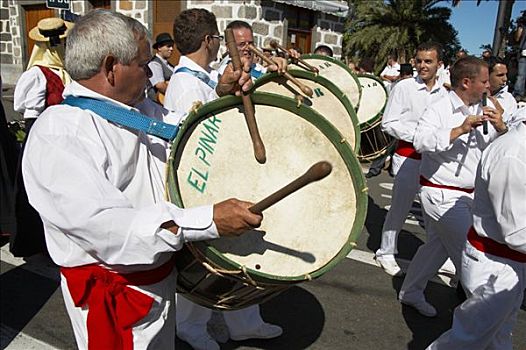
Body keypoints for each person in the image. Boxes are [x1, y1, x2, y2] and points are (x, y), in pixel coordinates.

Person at [21, 9, 262, 350]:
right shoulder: (58, 135)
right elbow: (111, 227)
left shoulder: (138, 109)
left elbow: (184, 131)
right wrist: (209, 220)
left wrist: (222, 95)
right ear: (110, 67)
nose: (151, 74)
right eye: (143, 63)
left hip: (159, 283)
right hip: (118, 297)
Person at [164, 10, 283, 350]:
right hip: (200, 184)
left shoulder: (202, 77)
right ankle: (189, 325)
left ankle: (245, 322)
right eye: (218, 38)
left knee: (238, 252)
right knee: (204, 259)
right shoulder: (186, 82)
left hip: (220, 179)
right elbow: (197, 141)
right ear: (209, 41)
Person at [398, 56, 508, 318]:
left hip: (470, 196)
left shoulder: (486, 106)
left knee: (435, 248)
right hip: (441, 195)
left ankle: (410, 292)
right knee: (472, 259)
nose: (487, 87)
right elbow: (421, 142)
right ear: (467, 82)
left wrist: (501, 128)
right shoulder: (439, 109)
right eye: (483, 82)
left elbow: (498, 146)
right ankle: (480, 322)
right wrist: (459, 129)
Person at [427, 108, 525, 350]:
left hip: (508, 261)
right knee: (464, 342)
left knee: (499, 338)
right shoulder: (513, 154)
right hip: (497, 263)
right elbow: (515, 231)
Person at [374, 43, 449, 275]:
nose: (423, 65)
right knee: (400, 207)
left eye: (429, 61)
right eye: (419, 61)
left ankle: (437, 255)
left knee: (434, 212)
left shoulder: (446, 92)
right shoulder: (404, 87)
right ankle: (386, 252)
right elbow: (388, 123)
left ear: (439, 64)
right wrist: (419, 136)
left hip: (435, 160)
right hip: (408, 156)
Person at [11, 17, 74, 257]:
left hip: (60, 134)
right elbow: (22, 106)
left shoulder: (64, 73)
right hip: (40, 133)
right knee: (37, 188)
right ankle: (34, 240)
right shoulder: (37, 74)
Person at [13, 17, 73, 132]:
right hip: (46, 132)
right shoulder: (37, 75)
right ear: (54, 48)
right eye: (64, 44)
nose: (67, 48)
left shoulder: (63, 72)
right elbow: (27, 110)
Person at [365, 62, 414, 179]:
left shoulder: (404, 86)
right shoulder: (403, 85)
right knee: (390, 147)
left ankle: (376, 168)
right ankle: (383, 169)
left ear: (403, 74)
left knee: (386, 147)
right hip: (399, 123)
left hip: (400, 123)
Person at [147, 32, 175, 103]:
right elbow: (160, 85)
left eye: (172, 46)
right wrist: (176, 94)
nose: (171, 49)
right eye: (168, 46)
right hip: (157, 105)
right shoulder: (154, 64)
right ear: (159, 48)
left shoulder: (170, 65)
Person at [514, 11, 526, 102]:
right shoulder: (523, 25)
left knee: (521, 75)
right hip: (524, 53)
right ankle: (518, 94)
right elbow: (517, 38)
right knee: (521, 75)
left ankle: (520, 94)